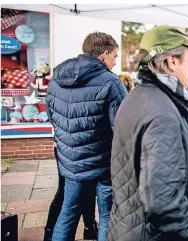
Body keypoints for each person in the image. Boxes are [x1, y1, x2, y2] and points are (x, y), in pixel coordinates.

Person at [107, 26, 188, 241]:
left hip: (133, 227)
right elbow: (163, 201)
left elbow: (164, 163)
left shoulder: (142, 96)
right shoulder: (162, 111)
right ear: (172, 62)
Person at [46, 32, 127, 241]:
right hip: (104, 165)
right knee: (108, 216)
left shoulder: (56, 79)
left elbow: (52, 117)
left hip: (71, 163)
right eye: (115, 57)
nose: (115, 62)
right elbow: (122, 127)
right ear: (104, 54)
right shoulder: (111, 82)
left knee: (68, 213)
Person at [43, 146, 98, 241]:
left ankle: (90, 228)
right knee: (65, 192)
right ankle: (50, 233)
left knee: (89, 189)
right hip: (72, 147)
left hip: (71, 145)